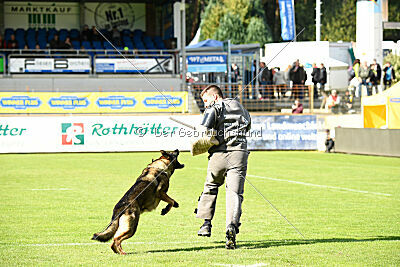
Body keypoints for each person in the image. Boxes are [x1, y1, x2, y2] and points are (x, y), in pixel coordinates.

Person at [195, 85, 251, 250]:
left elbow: (204, 131)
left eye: (206, 100)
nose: (205, 105)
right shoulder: (241, 107)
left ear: (214, 97)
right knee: (234, 193)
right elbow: (248, 127)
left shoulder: (214, 108)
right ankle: (231, 227)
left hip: (219, 156)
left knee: (211, 187)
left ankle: (206, 223)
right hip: (239, 154)